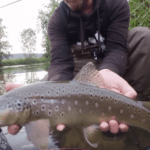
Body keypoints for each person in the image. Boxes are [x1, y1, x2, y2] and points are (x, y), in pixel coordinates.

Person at [5, 0, 150, 149]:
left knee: (144, 36)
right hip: (79, 65)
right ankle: (74, 126)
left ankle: (130, 101)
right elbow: (60, 63)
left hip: (113, 60)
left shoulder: (115, 3)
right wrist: (50, 92)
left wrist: (108, 71)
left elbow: (117, 48)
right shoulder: (57, 19)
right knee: (47, 82)